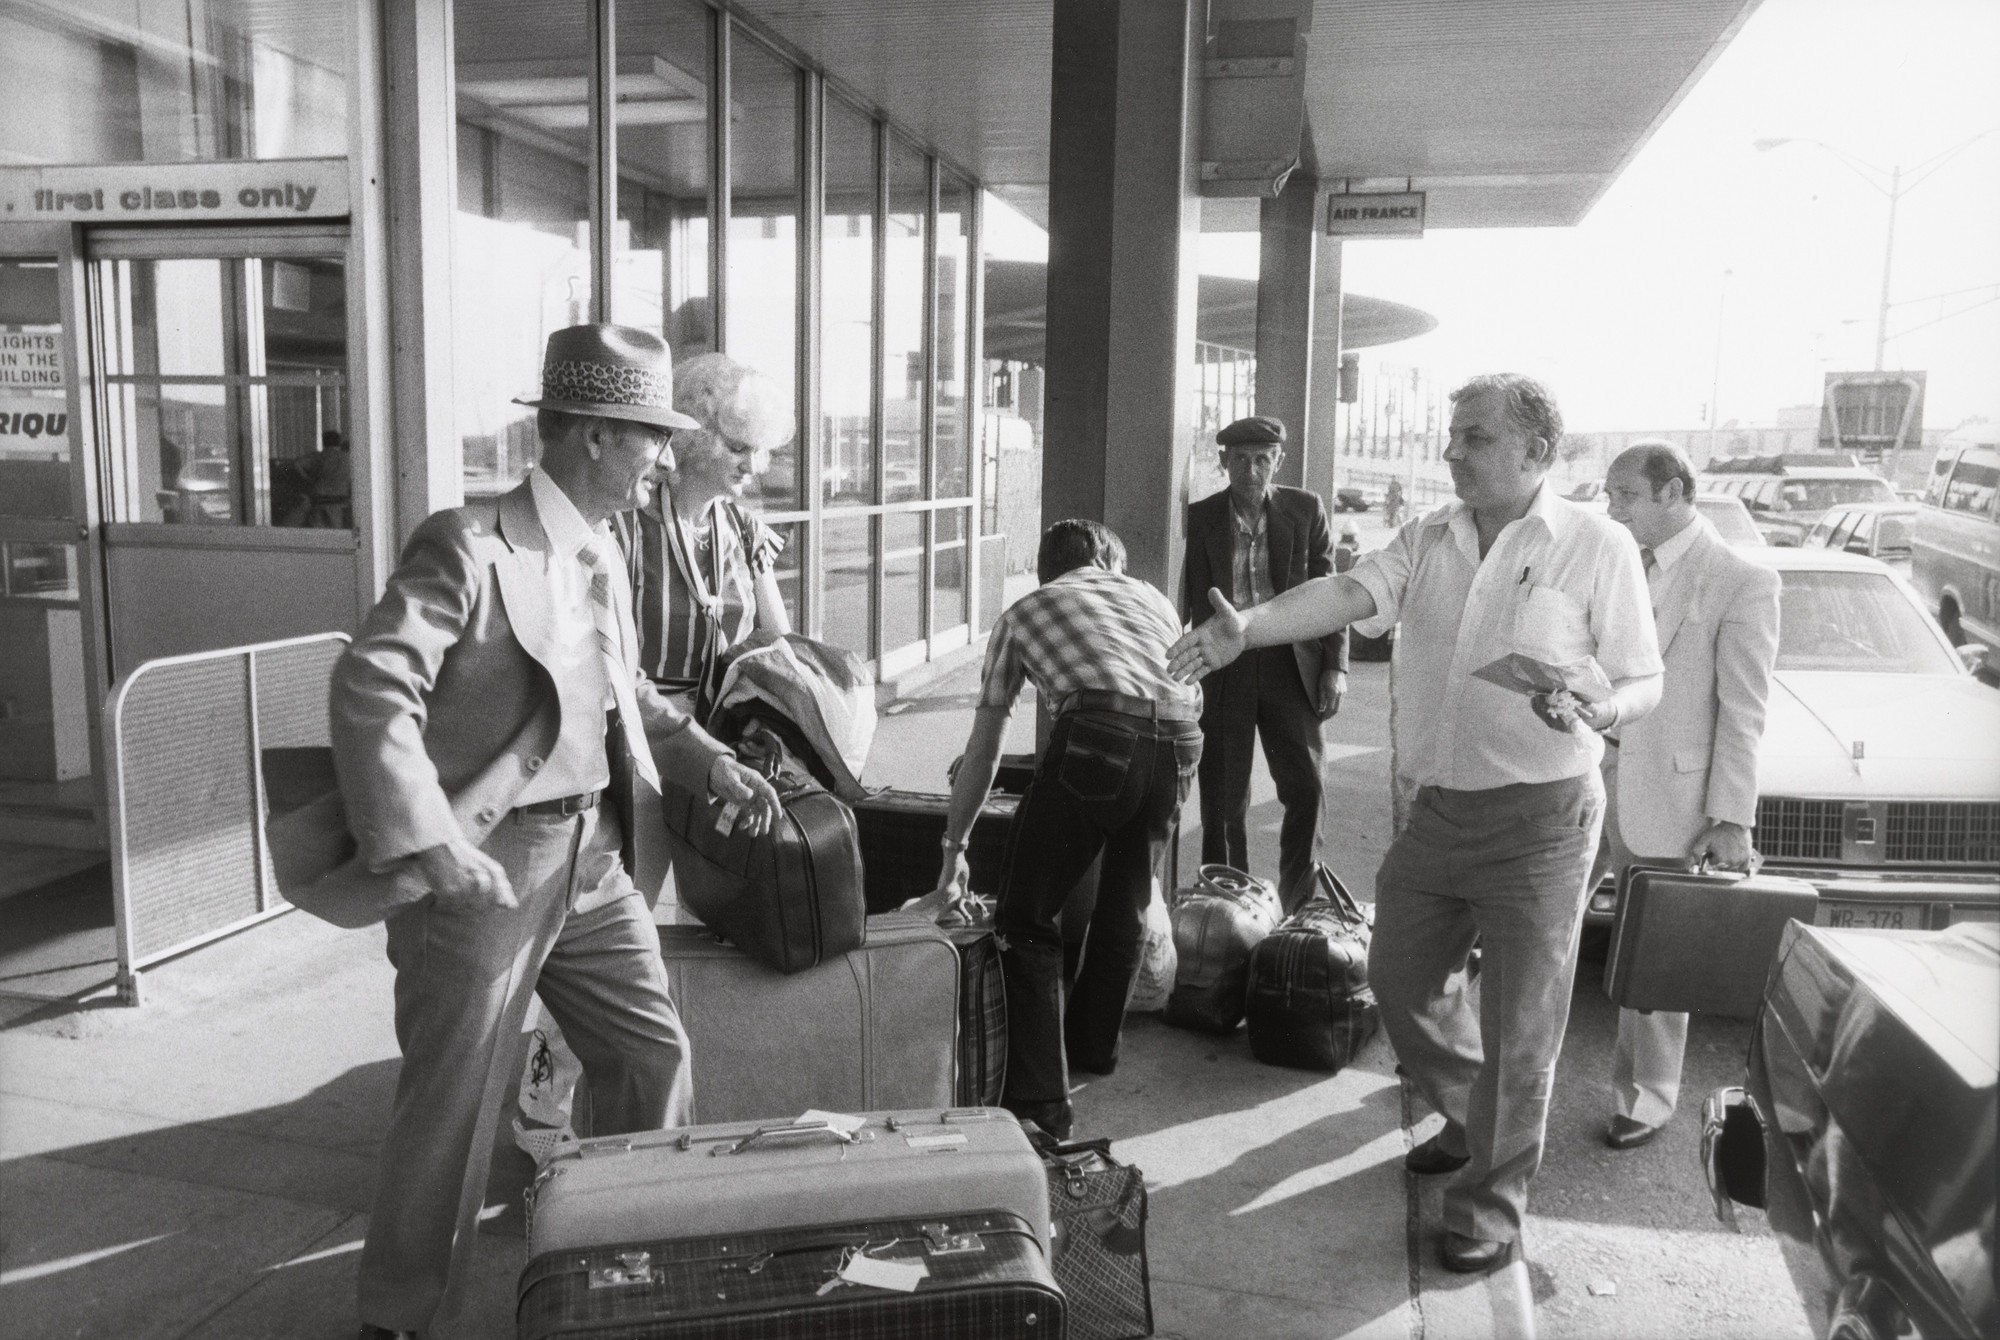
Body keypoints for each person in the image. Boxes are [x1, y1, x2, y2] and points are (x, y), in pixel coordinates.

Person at [335, 324, 781, 1340]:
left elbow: (625, 699)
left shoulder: (600, 550)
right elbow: (371, 685)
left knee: (649, 1054)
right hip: (487, 872)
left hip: (593, 862)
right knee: (451, 1107)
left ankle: (617, 1261)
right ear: (589, 437)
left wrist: (711, 756)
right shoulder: (467, 542)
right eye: (649, 436)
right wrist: (427, 840)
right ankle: (396, 1317)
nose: (662, 457)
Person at [1169, 373, 1662, 1273]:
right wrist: (1254, 628)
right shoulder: (1430, 535)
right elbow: (1349, 593)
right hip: (1437, 811)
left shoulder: (1596, 545)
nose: (1451, 452)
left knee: (1522, 1029)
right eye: (1453, 435)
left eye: (1473, 437)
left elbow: (1642, 676)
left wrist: (1602, 711)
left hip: (1543, 818)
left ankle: (1488, 1206)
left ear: (1536, 452)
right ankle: (1475, 1120)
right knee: (1397, 980)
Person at [917, 519, 1202, 1140]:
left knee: (1027, 917)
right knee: (1127, 897)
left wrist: (955, 849)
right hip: (1180, 741)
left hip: (1100, 736)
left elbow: (986, 744)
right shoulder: (1151, 597)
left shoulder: (1026, 611)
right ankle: (1095, 1049)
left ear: (1050, 569)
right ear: (1108, 561)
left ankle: (1042, 1103)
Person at [1597, 440, 1780, 1150]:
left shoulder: (1739, 580)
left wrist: (1731, 817)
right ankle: (1517, 1073)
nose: (1611, 509)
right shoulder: (1614, 560)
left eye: (1625, 496)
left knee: (1655, 954)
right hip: (1586, 769)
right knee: (1542, 929)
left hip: (1669, 791)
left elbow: (1744, 710)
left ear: (1672, 493)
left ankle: (1644, 1099)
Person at [1183, 415, 1346, 907]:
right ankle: (1231, 906)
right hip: (1225, 667)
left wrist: (1335, 666)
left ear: (1278, 461)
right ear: (1223, 462)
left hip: (1290, 665)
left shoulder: (1305, 509)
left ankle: (1297, 902)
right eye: (1240, 460)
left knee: (1307, 788)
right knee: (1224, 798)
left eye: (1262, 460)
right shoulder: (1201, 517)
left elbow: (1331, 593)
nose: (1251, 470)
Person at [614, 352, 793, 718]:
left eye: (757, 450)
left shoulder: (747, 532)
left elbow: (780, 646)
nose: (751, 465)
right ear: (695, 440)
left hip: (731, 732)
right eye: (737, 447)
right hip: (651, 735)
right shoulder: (627, 529)